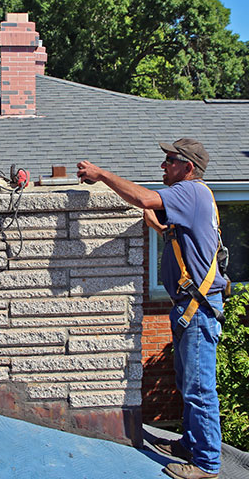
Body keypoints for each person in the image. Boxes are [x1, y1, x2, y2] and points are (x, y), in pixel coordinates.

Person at [77, 139, 226, 479]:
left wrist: (101, 175)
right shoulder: (194, 197)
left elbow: (145, 197)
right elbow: (166, 223)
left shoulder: (191, 192)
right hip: (191, 309)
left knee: (199, 388)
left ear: (188, 168)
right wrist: (157, 223)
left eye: (170, 160)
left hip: (197, 310)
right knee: (189, 381)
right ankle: (191, 443)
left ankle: (206, 464)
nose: (164, 166)